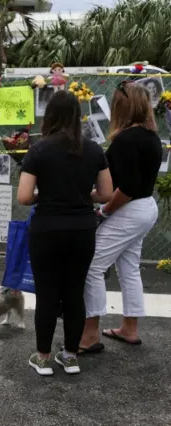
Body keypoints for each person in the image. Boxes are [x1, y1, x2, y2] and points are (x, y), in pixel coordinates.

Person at [17, 91, 113, 376]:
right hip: (82, 229)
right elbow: (106, 193)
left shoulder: (39, 150)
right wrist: (82, 195)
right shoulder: (94, 149)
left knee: (47, 293)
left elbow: (24, 197)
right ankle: (70, 356)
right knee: (74, 292)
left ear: (50, 116)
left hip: (47, 229)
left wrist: (43, 197)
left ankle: (43, 357)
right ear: (77, 115)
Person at [79, 81, 163, 351]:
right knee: (128, 268)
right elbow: (126, 185)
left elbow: (125, 189)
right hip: (145, 207)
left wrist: (103, 211)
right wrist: (95, 195)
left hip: (130, 210)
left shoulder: (125, 140)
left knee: (92, 265)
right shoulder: (151, 136)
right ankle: (129, 328)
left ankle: (90, 334)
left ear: (122, 107)